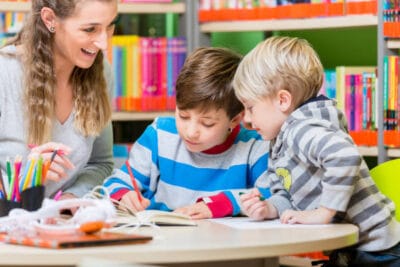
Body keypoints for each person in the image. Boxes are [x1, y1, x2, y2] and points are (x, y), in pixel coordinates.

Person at [233, 36, 400, 266]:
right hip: (352, 248)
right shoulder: (279, 140)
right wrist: (269, 208)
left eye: (250, 108)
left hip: (379, 251)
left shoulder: (302, 129)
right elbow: (287, 195)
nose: (247, 120)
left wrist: (324, 212)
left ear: (283, 100)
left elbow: (344, 157)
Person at [103, 47, 270, 219]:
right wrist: (124, 195)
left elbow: (273, 195)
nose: (191, 132)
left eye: (207, 123)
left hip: (221, 243)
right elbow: (114, 184)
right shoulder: (159, 134)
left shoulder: (254, 146)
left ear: (235, 119)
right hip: (163, 240)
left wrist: (219, 205)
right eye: (183, 116)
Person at [0, 0, 117, 199]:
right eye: (90, 29)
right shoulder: (5, 73)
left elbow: (100, 163)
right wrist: (27, 179)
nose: (104, 44)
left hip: (63, 223)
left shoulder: (101, 73)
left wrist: (71, 197)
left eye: (110, 26)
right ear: (49, 19)